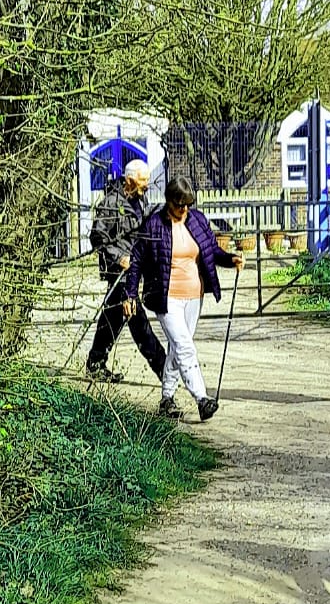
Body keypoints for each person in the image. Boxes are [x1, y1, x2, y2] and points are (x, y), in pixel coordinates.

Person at [123, 175, 243, 422]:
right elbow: (136, 262)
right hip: (165, 298)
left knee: (177, 348)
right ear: (169, 202)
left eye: (188, 204)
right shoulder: (153, 225)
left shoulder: (197, 220)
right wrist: (130, 294)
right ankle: (202, 399)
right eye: (180, 205)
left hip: (193, 296)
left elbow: (211, 251)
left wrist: (230, 259)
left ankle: (167, 399)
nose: (185, 209)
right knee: (185, 347)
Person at [85, 158, 166, 384]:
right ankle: (165, 370)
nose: (146, 185)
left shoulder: (139, 199)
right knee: (139, 324)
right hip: (119, 273)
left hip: (134, 271)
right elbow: (97, 238)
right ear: (129, 180)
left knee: (111, 319)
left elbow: (140, 226)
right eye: (142, 181)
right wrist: (118, 258)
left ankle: (95, 364)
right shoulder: (111, 203)